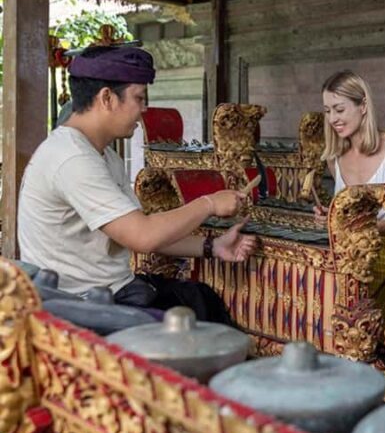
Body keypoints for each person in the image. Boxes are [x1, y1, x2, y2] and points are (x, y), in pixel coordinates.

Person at [18, 46, 256, 323]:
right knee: (195, 330)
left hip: (113, 291)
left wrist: (211, 246)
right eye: (139, 98)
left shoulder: (102, 153)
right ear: (106, 98)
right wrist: (210, 203)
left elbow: (143, 230)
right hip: (79, 305)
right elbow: (142, 236)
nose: (144, 109)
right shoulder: (72, 158)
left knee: (200, 300)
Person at [313, 70, 385, 231]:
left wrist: (366, 228)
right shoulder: (334, 156)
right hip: (349, 252)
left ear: (363, 106)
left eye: (339, 110)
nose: (332, 119)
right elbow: (349, 216)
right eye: (328, 111)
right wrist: (329, 218)